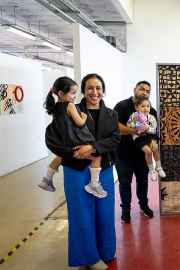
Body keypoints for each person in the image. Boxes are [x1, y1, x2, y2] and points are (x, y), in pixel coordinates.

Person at [45, 74, 119, 270]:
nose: (94, 92)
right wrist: (74, 152)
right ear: (83, 91)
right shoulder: (70, 109)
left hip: (102, 168)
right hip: (76, 169)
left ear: (103, 90)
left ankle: (107, 251)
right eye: (90, 88)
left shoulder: (111, 114)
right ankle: (89, 258)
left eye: (98, 87)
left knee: (105, 212)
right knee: (81, 214)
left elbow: (114, 139)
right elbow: (55, 138)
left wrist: (92, 148)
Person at [41, 76, 106, 198]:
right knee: (97, 156)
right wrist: (84, 118)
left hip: (63, 140)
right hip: (75, 139)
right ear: (60, 93)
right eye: (72, 93)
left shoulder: (55, 107)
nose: (74, 96)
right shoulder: (70, 106)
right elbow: (79, 123)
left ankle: (47, 179)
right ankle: (94, 184)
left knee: (61, 157)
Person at [114, 81, 158, 223]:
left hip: (142, 155)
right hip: (123, 153)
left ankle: (144, 206)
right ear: (135, 89)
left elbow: (155, 130)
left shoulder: (150, 109)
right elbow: (115, 126)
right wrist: (135, 131)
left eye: (147, 90)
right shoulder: (121, 106)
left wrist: (154, 141)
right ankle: (125, 210)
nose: (144, 92)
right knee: (125, 183)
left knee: (143, 181)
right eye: (142, 89)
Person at [126, 96, 166, 181]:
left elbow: (154, 129)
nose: (146, 108)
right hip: (139, 137)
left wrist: (147, 128)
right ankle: (152, 171)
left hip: (150, 136)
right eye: (143, 106)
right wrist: (136, 126)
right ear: (137, 107)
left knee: (155, 148)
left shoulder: (151, 117)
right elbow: (129, 125)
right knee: (148, 151)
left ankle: (158, 167)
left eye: (148, 106)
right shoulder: (134, 116)